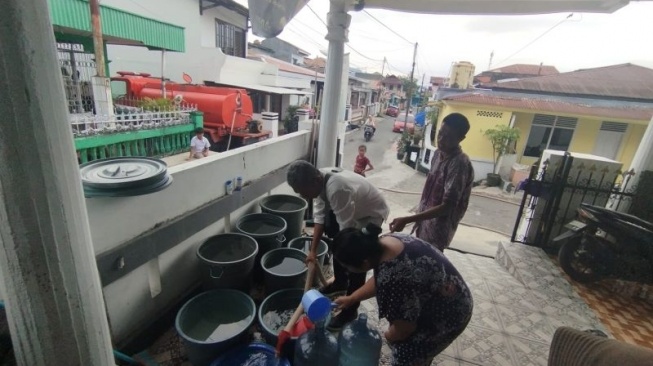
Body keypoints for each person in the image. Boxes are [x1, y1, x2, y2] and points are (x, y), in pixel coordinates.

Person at [333, 223, 473, 366]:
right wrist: (352, 298)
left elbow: (405, 329)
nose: (346, 270)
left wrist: (389, 335)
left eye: (346, 267)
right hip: (452, 291)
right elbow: (381, 277)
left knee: (406, 354)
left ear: (364, 263)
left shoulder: (395, 281)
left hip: (450, 312)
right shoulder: (383, 243)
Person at [286, 160, 389, 330]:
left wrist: (344, 252)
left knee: (354, 257)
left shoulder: (336, 188)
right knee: (337, 241)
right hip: (354, 211)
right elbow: (319, 218)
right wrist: (312, 252)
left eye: (303, 192)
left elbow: (347, 236)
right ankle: (340, 282)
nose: (304, 197)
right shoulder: (318, 180)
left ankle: (350, 310)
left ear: (314, 181)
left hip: (371, 214)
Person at [389, 113, 474, 252]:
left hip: (437, 232)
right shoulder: (437, 154)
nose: (441, 139)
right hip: (423, 226)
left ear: (461, 139)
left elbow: (447, 206)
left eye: (448, 137)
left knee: (428, 265)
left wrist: (408, 219)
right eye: (440, 133)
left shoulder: (459, 164)